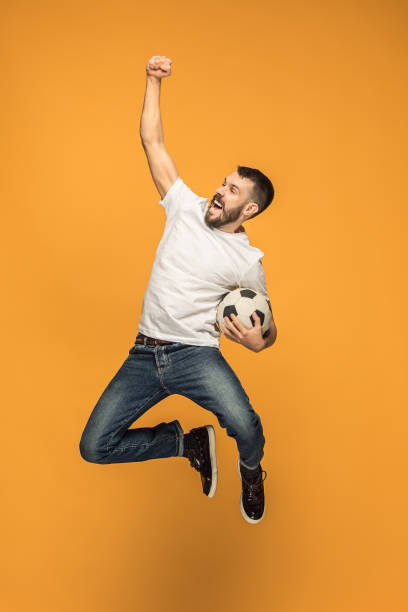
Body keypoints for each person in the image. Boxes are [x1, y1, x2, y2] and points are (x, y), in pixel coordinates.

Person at [79, 55, 277, 524]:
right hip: (143, 355)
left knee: (247, 427)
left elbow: (268, 329)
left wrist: (258, 341)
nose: (219, 191)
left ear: (247, 211)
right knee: (95, 446)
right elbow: (152, 141)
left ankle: (252, 471)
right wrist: (152, 81)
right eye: (224, 183)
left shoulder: (247, 262)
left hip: (196, 357)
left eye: (232, 191)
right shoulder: (184, 206)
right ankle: (183, 443)